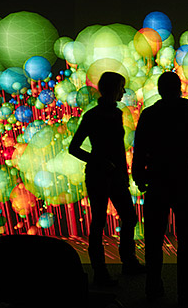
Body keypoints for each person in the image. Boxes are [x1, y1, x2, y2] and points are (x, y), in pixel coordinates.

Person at [132, 71, 188, 304]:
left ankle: (153, 288)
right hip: (182, 182)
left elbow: (139, 147)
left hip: (157, 181)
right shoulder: (187, 113)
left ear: (160, 91)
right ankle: (187, 290)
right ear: (179, 89)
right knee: (185, 240)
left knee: (153, 240)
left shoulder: (149, 114)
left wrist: (139, 176)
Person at [69, 71, 145, 286]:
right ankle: (101, 272)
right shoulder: (93, 116)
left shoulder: (115, 113)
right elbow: (73, 148)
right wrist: (99, 161)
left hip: (114, 176)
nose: (124, 91)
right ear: (113, 89)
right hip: (99, 176)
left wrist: (123, 173)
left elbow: (117, 149)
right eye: (121, 87)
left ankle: (125, 263)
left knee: (127, 218)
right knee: (100, 223)